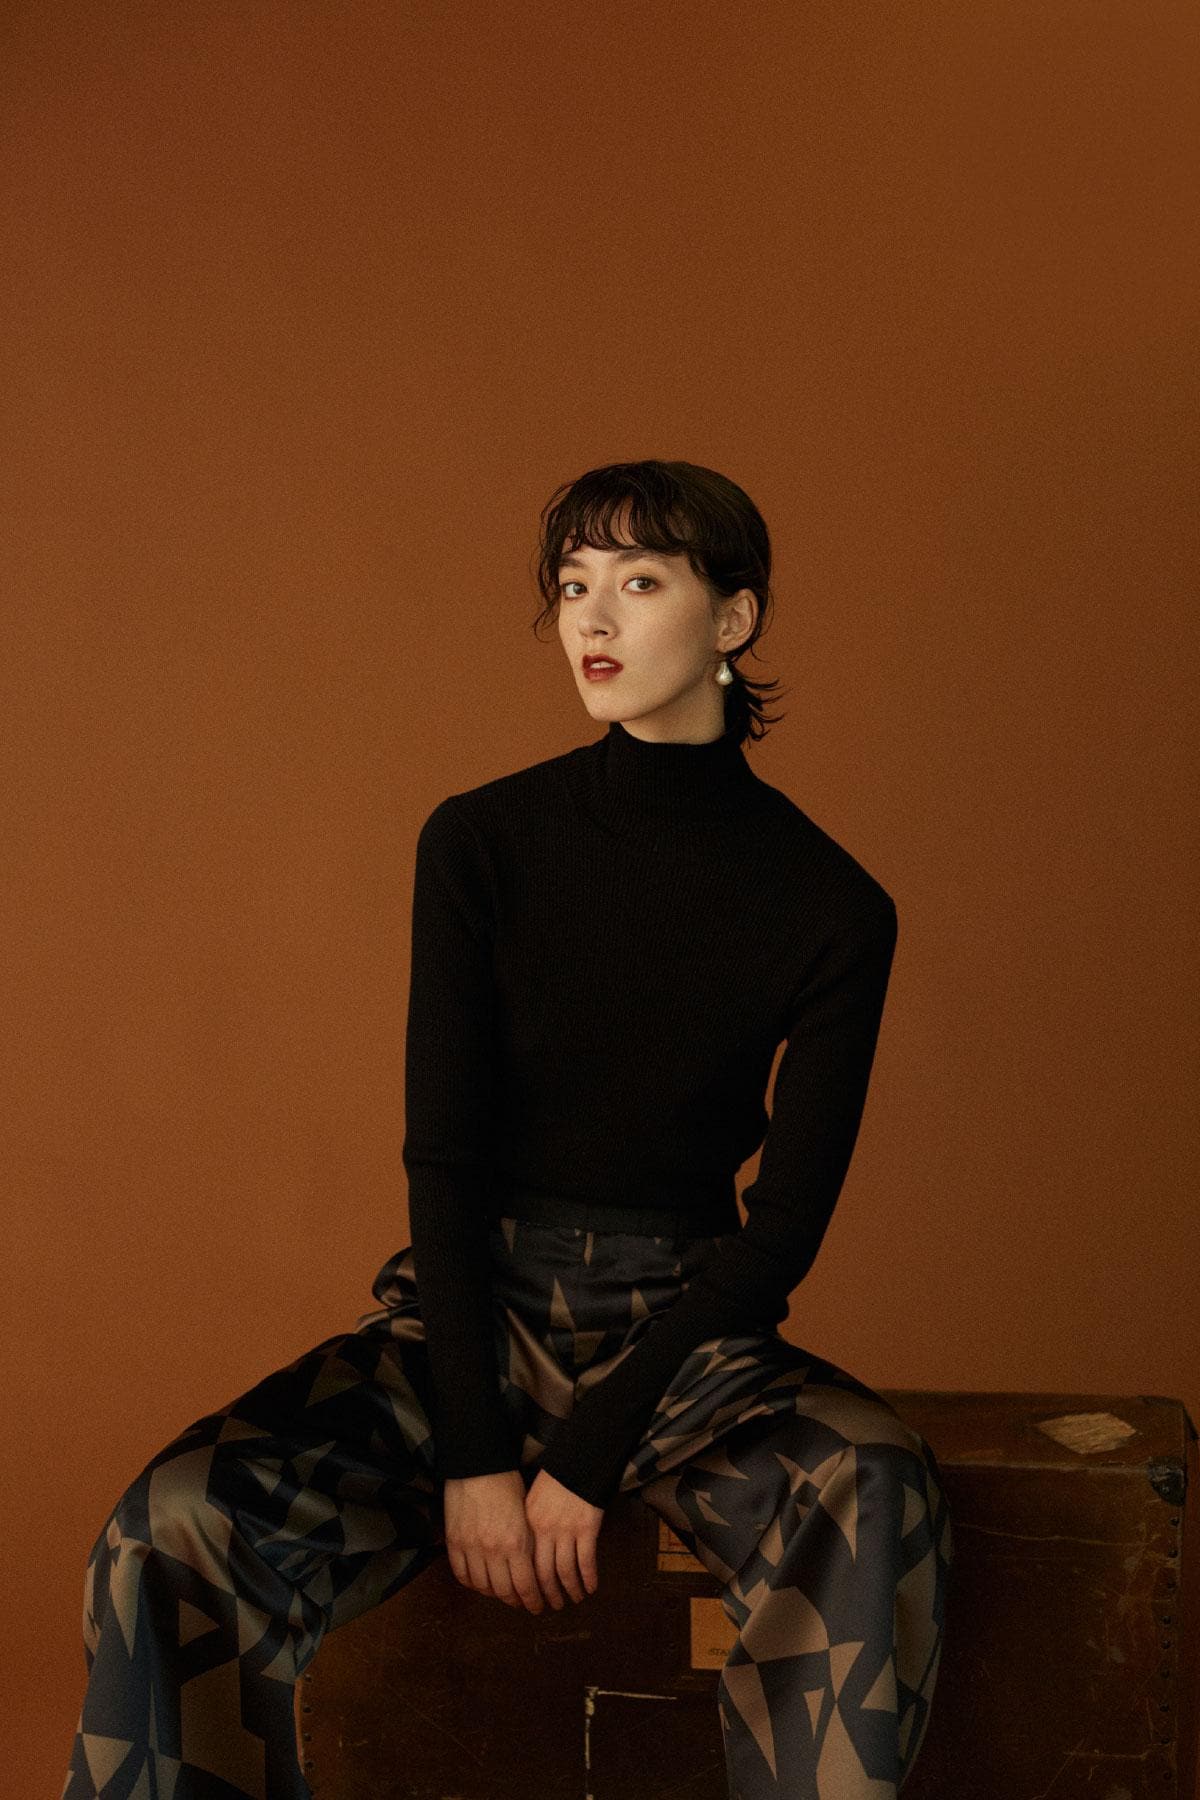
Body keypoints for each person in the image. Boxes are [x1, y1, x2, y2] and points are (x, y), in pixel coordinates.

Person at [63, 459, 953, 1799]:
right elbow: (445, 1158)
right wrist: (479, 1459)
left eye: (639, 582)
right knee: (173, 1520)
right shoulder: (483, 841)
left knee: (875, 1483)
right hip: (471, 1320)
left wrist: (585, 1459)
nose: (591, 617)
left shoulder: (832, 904)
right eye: (573, 585)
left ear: (733, 618)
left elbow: (779, 1232)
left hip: (683, 1346)